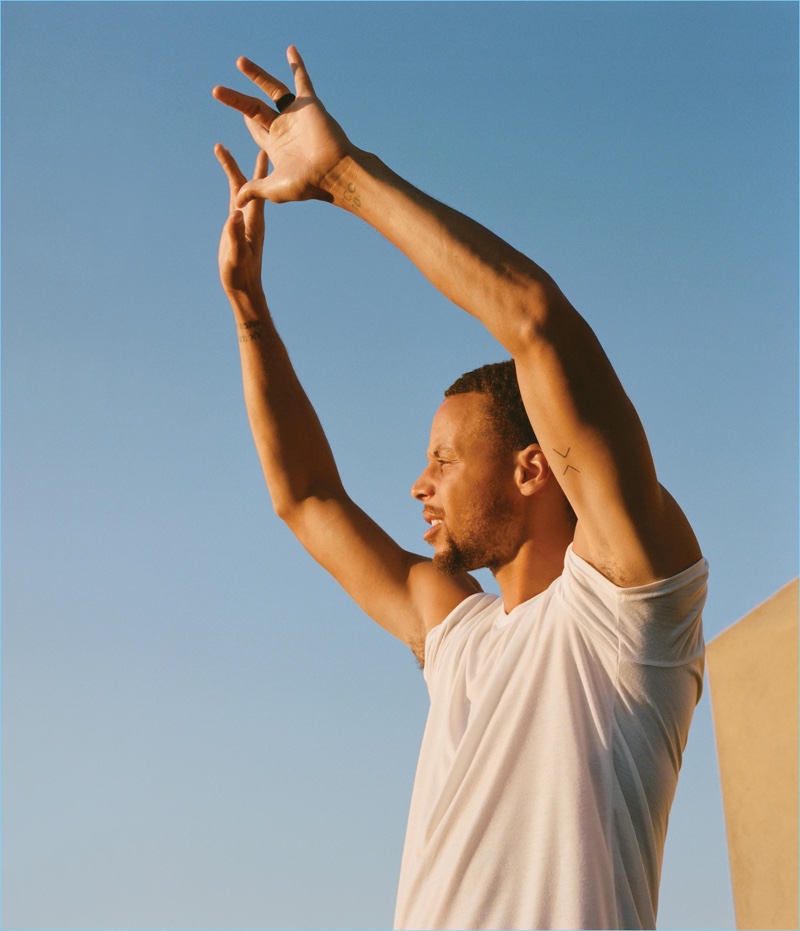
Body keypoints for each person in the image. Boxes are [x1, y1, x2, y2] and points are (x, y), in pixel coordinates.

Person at [212, 47, 708, 931]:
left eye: (444, 458)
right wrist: (250, 313)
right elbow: (309, 501)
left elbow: (537, 325)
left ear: (532, 467)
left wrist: (342, 176)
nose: (417, 483)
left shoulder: (631, 614)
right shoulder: (462, 638)